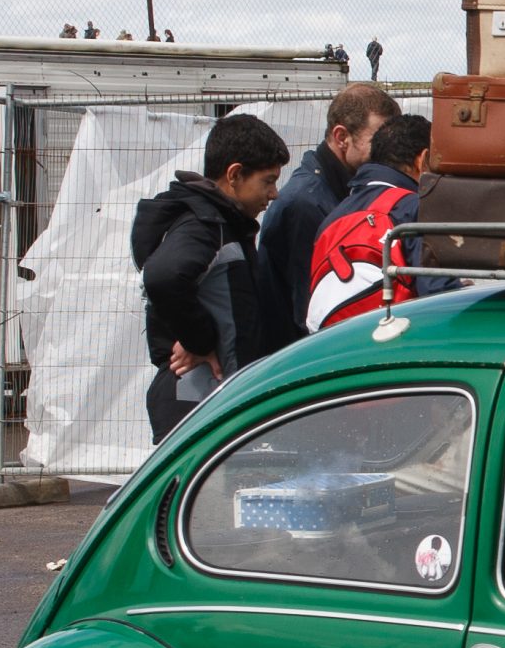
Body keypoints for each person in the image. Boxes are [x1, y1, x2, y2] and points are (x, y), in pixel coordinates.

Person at [132, 114, 288, 442]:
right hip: (197, 403)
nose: (274, 193)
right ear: (234, 175)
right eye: (268, 181)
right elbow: (163, 276)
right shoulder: (204, 226)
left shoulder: (225, 225)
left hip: (217, 399)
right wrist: (199, 340)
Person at [254, 82, 399, 352]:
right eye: (378, 143)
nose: (388, 155)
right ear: (342, 136)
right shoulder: (307, 204)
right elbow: (311, 313)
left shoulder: (334, 192)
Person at [306, 113, 459, 331]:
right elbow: (443, 303)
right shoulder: (416, 209)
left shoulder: (332, 219)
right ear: (423, 160)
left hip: (333, 348)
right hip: (397, 346)